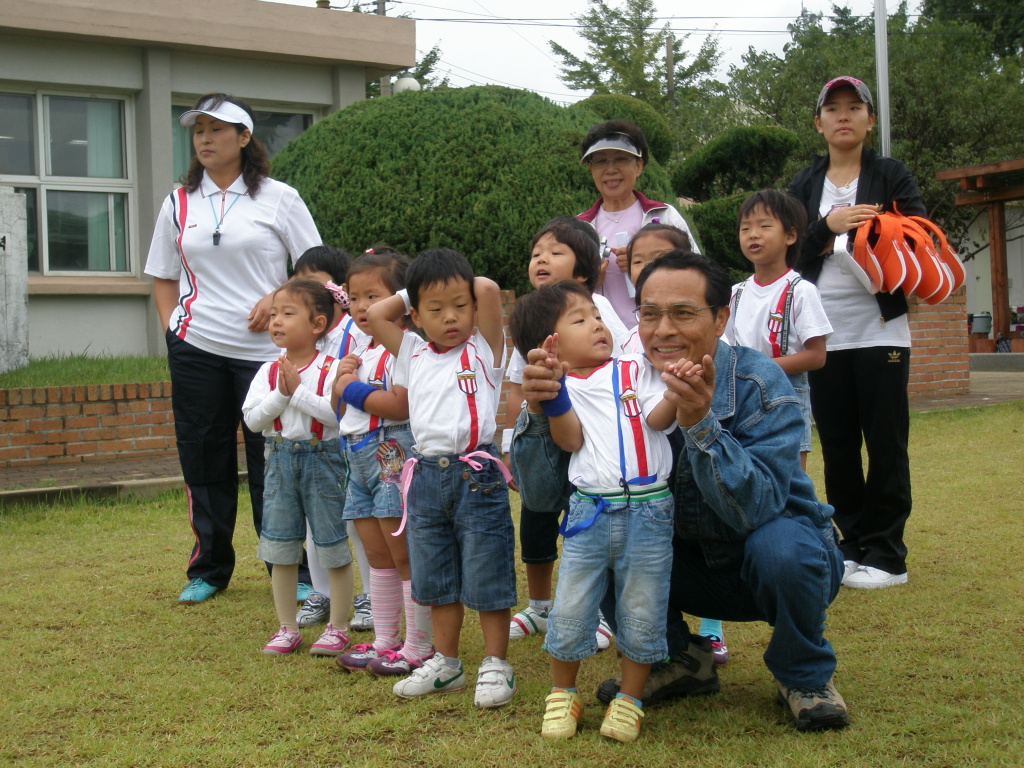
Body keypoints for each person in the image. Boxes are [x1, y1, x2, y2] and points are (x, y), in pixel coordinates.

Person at [513, 251, 849, 732]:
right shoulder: (611, 382)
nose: (663, 330)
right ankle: (678, 660)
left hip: (769, 558)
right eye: (650, 314)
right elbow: (542, 499)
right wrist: (541, 410)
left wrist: (701, 426)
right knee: (608, 532)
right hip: (675, 561)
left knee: (782, 549)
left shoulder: (757, 380)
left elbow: (756, 509)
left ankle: (804, 675)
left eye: (683, 313)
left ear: (720, 317)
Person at [145, 93, 320, 604]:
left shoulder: (279, 198)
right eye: (197, 130)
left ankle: (289, 566)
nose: (204, 138)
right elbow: (162, 276)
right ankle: (210, 568)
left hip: (268, 355)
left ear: (244, 139)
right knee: (203, 456)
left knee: (275, 460)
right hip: (196, 347)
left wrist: (276, 298)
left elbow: (315, 266)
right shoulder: (177, 202)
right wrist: (174, 329)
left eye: (217, 129)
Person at [509, 281, 677, 743]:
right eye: (580, 320)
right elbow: (569, 441)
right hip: (590, 513)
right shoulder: (560, 386)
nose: (598, 325)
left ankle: (629, 699)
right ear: (550, 345)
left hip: (650, 510)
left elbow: (658, 420)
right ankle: (563, 694)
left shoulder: (634, 369)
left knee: (642, 609)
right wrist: (552, 395)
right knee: (570, 607)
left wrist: (679, 392)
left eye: (597, 316)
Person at [788, 76, 926, 589]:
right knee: (839, 446)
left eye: (854, 108)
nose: (843, 117)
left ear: (870, 119)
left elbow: (916, 236)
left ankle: (888, 555)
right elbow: (789, 254)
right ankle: (851, 544)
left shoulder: (890, 174)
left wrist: (848, 231)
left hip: (880, 329)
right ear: (819, 122)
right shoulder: (804, 184)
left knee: (886, 444)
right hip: (822, 336)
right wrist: (830, 225)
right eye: (833, 109)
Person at [367, 248, 518, 709]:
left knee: (488, 572)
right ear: (414, 316)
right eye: (435, 310)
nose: (450, 317)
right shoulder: (411, 350)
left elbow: (489, 289)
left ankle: (496, 664)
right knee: (435, 579)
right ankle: (447, 664)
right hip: (426, 478)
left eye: (459, 305)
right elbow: (376, 313)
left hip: (478, 476)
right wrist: (413, 288)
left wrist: (451, 284)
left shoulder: (484, 347)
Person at [502, 217, 626, 649]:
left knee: (592, 523)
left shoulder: (598, 309)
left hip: (594, 438)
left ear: (583, 272)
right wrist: (511, 448)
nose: (542, 259)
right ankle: (539, 605)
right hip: (543, 433)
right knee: (535, 521)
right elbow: (520, 388)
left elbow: (619, 357)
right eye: (537, 252)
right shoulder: (527, 319)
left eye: (555, 252)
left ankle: (601, 610)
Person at [331, 249, 435, 677]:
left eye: (371, 297)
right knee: (376, 553)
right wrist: (342, 384)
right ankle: (385, 639)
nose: (360, 307)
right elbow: (337, 406)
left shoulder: (405, 348)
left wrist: (349, 385)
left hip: (391, 450)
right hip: (357, 455)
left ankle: (419, 644)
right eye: (353, 298)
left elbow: (399, 405)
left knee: (403, 552)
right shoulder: (360, 348)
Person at [241, 280, 354, 656]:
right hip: (278, 462)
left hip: (324, 460)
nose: (276, 321)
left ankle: (338, 626)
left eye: (287, 314)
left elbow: (336, 416)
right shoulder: (267, 373)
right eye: (273, 314)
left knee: (330, 544)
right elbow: (254, 421)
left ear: (317, 324)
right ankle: (287, 626)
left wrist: (297, 392)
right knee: (280, 545)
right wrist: (282, 394)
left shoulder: (334, 367)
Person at [291, 246, 375, 632]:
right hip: (317, 449)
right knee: (317, 523)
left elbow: (338, 402)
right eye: (297, 281)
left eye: (311, 281)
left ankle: (373, 596)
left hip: (351, 442)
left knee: (361, 522)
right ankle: (322, 593)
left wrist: (298, 394)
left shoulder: (355, 333)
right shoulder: (306, 337)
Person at [726, 189, 833, 472]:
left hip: (786, 394)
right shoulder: (736, 294)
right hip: (742, 398)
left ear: (790, 235)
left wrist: (762, 368)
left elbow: (817, 355)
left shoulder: (801, 291)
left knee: (789, 481)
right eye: (745, 228)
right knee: (748, 475)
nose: (752, 235)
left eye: (764, 226)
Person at [576, 118, 699, 327]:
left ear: (639, 166)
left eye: (621, 159)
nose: (611, 169)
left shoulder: (664, 215)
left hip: (660, 331)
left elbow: (698, 272)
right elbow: (564, 292)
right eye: (600, 161)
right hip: (600, 339)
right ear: (591, 169)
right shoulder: (579, 227)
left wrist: (646, 263)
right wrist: (588, 281)